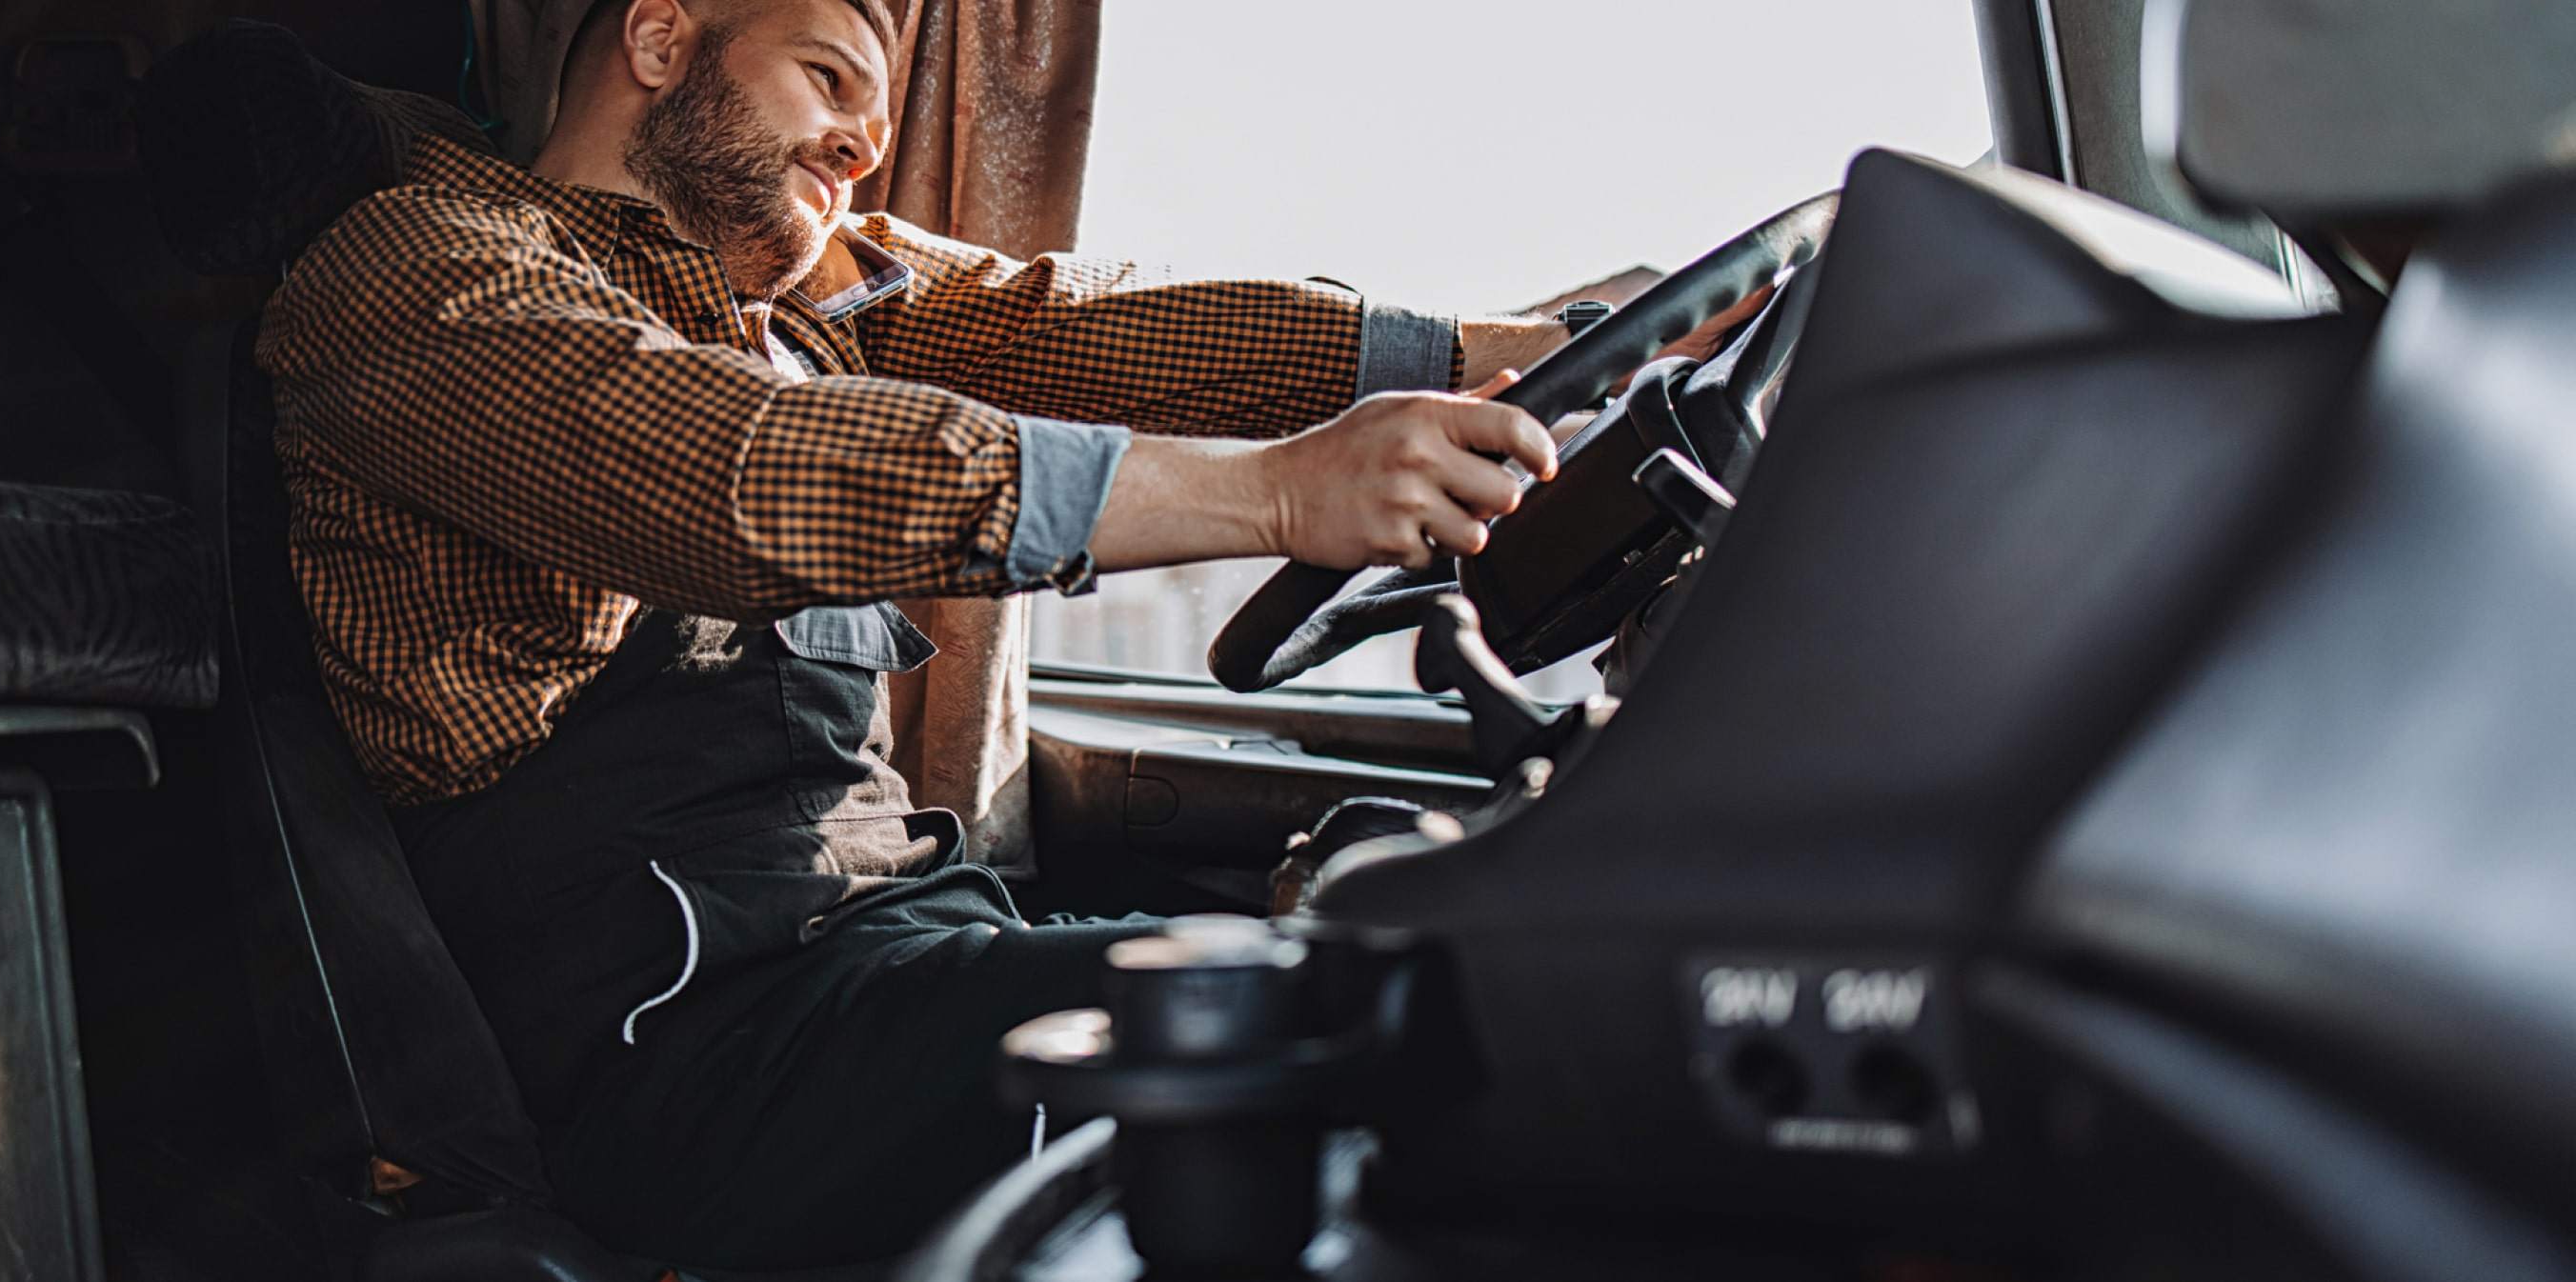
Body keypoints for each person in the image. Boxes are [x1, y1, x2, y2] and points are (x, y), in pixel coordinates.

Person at [255, 0, 1753, 1266]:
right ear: (660, 36)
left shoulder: (808, 321)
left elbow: (1090, 327)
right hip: (684, 1053)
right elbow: (725, 469)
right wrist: (1285, 496)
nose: (861, 142)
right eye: (829, 75)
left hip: (898, 961)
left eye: (879, 118)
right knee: (1400, 1042)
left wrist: (1503, 351)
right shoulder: (417, 269)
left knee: (1457, 983)